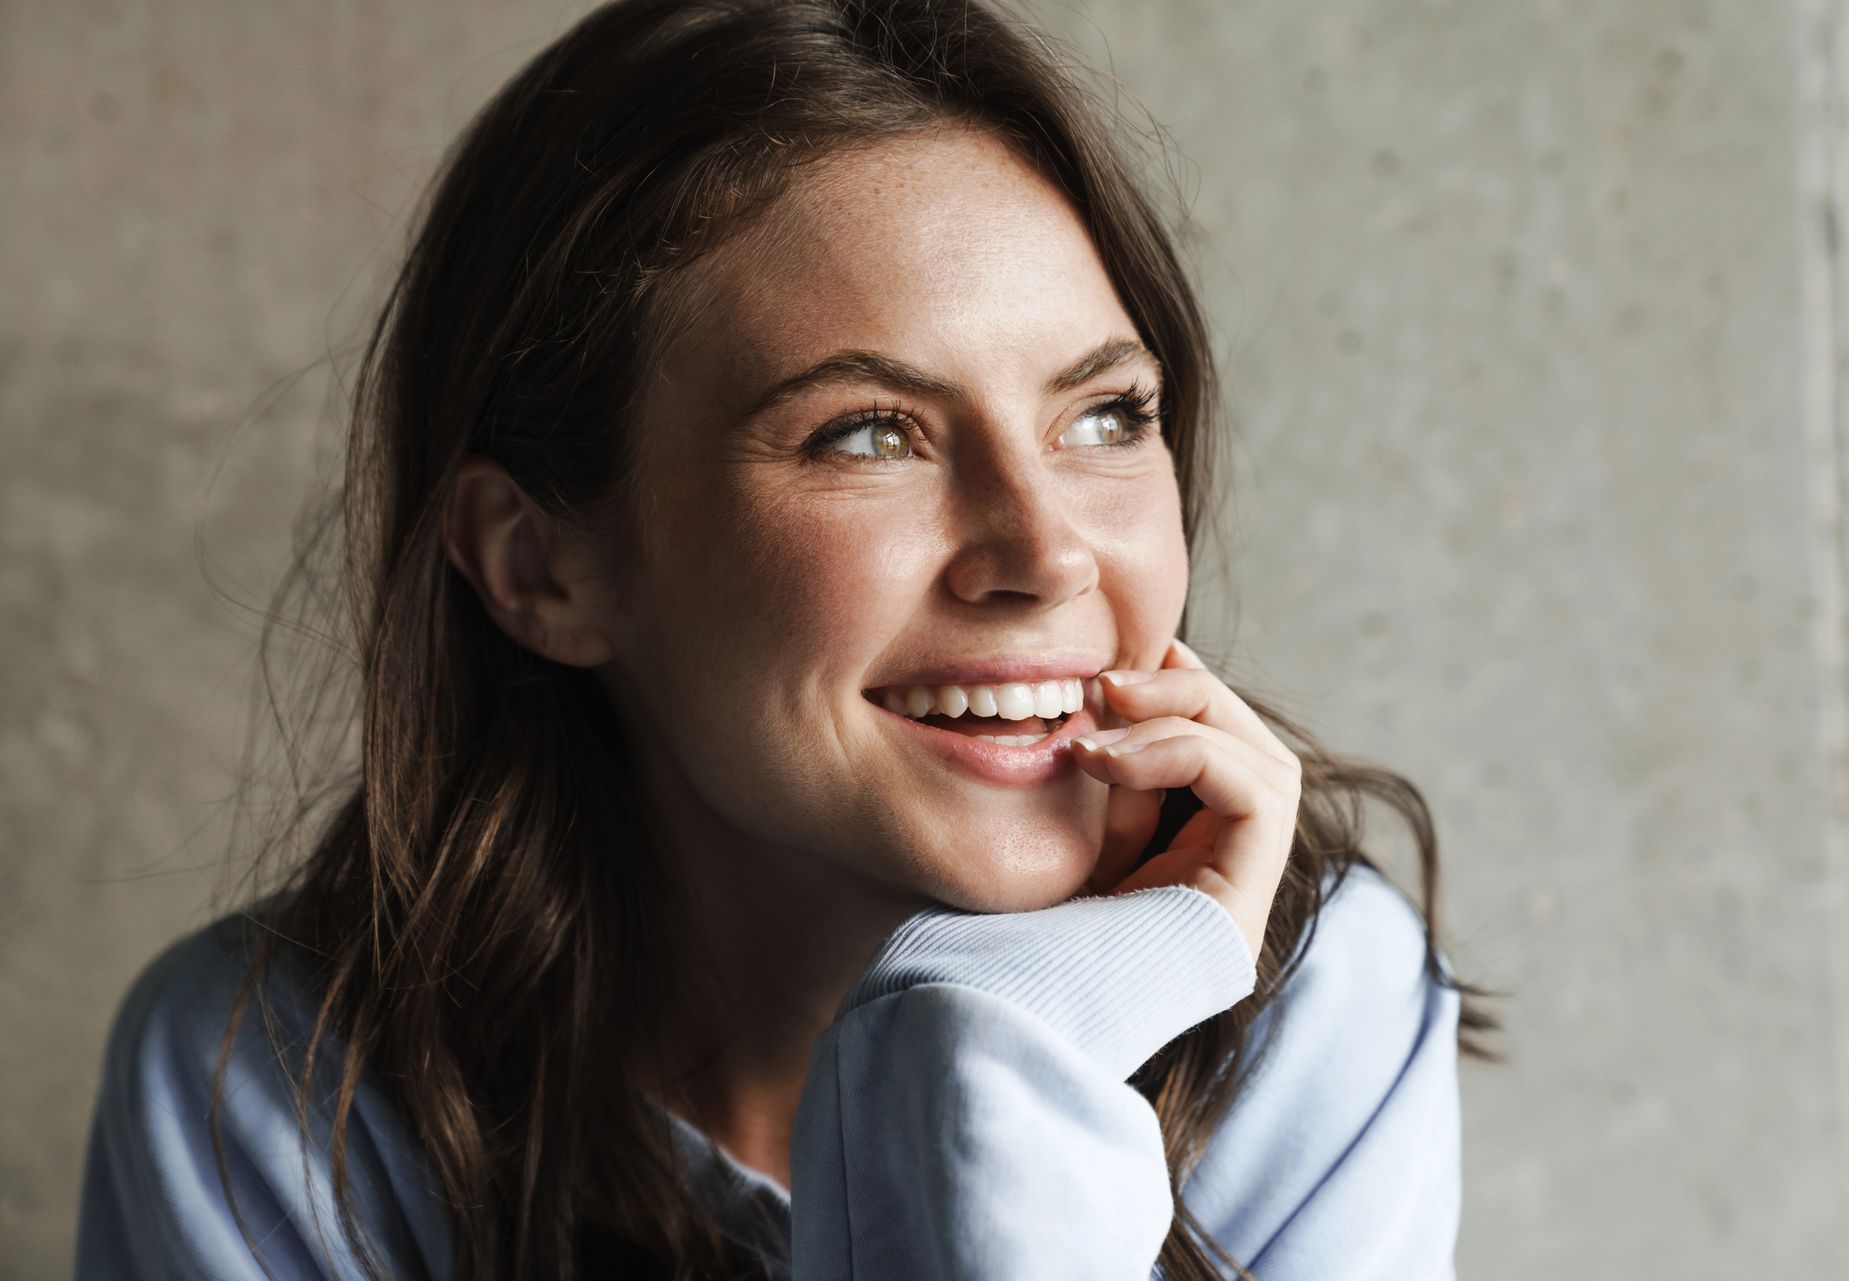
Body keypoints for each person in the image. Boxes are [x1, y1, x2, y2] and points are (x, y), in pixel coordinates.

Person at [74, 0, 1498, 1277]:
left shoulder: (1315, 1010)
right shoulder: (268, 1089)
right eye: (869, 433)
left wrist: (993, 1060)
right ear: (538, 566)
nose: (1049, 549)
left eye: (1105, 415)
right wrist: (973, 1102)